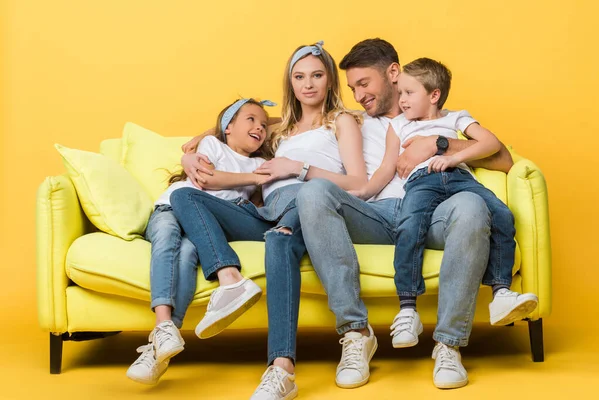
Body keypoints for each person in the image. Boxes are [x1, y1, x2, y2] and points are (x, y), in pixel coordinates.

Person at [295, 38, 514, 390]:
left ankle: (449, 345)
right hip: (376, 216)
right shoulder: (352, 121)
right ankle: (355, 334)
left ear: (394, 74)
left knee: (473, 205)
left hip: (437, 215)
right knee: (314, 192)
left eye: (364, 84)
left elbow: (503, 159)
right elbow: (281, 120)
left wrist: (437, 144)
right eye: (352, 88)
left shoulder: (437, 117)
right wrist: (213, 131)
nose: (358, 95)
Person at [180, 41, 367, 400]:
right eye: (299, 77)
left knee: (280, 239)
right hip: (267, 213)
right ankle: (230, 278)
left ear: (329, 81)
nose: (308, 84)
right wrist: (190, 155)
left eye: (316, 75)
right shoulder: (282, 127)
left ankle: (281, 370)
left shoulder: (341, 121)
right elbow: (226, 128)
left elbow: (358, 184)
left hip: (307, 207)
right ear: (290, 82)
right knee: (184, 196)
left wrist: (298, 168)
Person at [355, 57, 538, 342]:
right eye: (400, 92)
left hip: (459, 178)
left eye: (408, 93)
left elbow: (491, 143)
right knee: (409, 225)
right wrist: (362, 194)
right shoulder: (399, 125)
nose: (401, 100)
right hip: (421, 181)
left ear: (434, 95)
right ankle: (407, 308)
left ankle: (501, 292)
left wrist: (453, 157)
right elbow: (386, 167)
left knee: (501, 214)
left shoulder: (456, 118)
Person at [127, 98, 276, 385]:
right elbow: (207, 180)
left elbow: (286, 120)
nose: (260, 127)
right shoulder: (212, 146)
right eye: (251, 119)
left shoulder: (262, 162)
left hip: (202, 222)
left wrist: (260, 176)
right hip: (171, 207)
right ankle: (162, 327)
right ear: (228, 127)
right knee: (168, 242)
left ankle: (160, 346)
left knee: (186, 254)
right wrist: (254, 178)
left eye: (263, 124)